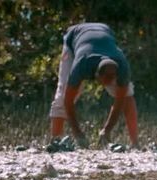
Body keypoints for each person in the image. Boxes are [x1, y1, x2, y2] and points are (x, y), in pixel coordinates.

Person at [47, 23, 138, 152]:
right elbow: (68, 102)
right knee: (62, 96)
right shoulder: (81, 65)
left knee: (128, 94)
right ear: (96, 75)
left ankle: (136, 143)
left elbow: (120, 100)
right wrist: (78, 134)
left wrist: (106, 131)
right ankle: (56, 142)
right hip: (74, 37)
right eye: (105, 81)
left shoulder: (122, 67)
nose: (107, 85)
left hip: (105, 32)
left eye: (111, 79)